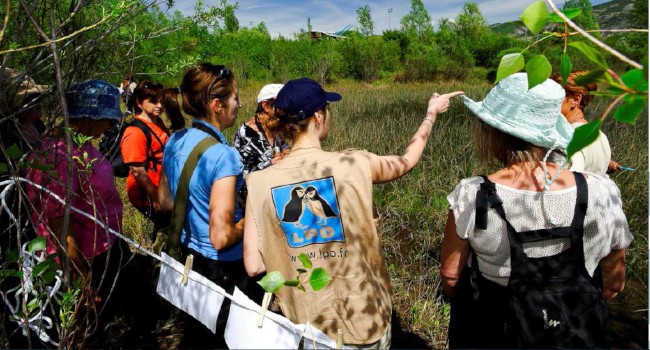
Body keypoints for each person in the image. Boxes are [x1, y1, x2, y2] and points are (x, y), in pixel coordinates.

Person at [243, 77, 462, 347]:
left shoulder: (258, 182)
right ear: (319, 115)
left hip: (306, 328)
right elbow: (406, 161)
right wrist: (430, 115)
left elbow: (254, 266)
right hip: (364, 322)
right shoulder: (356, 163)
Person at [440, 73, 632, 348]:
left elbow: (450, 276)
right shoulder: (602, 191)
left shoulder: (472, 195)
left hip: (496, 332)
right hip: (575, 333)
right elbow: (613, 283)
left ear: (493, 133)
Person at [157, 63, 261, 347]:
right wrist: (254, 213)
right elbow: (221, 236)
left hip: (190, 259)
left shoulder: (175, 139)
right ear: (217, 105)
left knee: (199, 336)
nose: (239, 104)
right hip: (224, 269)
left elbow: (165, 202)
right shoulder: (223, 155)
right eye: (236, 98)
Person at [24, 79, 126, 294]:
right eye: (107, 119)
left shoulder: (82, 145)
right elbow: (58, 224)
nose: (110, 126)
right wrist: (79, 272)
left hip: (101, 248)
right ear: (88, 116)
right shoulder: (59, 156)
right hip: (82, 258)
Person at [120, 81, 169, 240]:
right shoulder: (135, 131)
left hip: (162, 187)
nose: (159, 105)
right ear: (139, 103)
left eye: (161, 100)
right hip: (149, 192)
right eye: (153, 101)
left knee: (168, 226)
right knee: (165, 227)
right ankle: (160, 259)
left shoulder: (157, 121)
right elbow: (137, 170)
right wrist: (154, 198)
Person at [551, 71, 621, 175]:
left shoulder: (565, 137)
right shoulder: (601, 136)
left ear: (575, 99)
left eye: (555, 96)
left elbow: (565, 183)